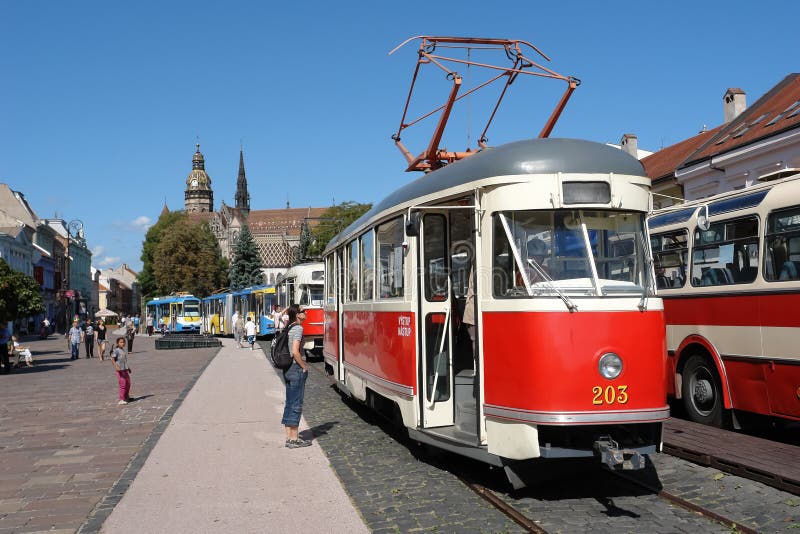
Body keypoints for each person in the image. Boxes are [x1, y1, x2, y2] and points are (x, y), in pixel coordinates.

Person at [281, 304, 311, 448]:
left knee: (289, 402)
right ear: (297, 314)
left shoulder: (288, 326)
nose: (306, 312)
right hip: (296, 368)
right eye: (303, 311)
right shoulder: (298, 328)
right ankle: (294, 439)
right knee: (296, 403)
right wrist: (304, 367)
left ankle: (289, 435)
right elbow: (295, 351)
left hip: (287, 369)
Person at [111, 337, 133, 405]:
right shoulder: (116, 350)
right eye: (121, 342)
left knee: (128, 383)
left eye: (123, 342)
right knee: (123, 384)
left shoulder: (122, 350)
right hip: (120, 370)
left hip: (125, 369)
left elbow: (124, 360)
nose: (122, 343)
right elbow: (112, 359)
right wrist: (116, 366)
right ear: (117, 343)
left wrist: (128, 368)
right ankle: (121, 399)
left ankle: (126, 397)